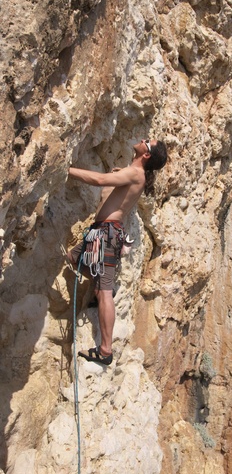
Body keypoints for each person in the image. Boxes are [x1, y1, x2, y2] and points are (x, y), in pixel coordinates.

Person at [67, 138, 167, 365]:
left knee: (104, 290)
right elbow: (112, 189)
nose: (142, 140)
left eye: (147, 142)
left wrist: (66, 170)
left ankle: (105, 350)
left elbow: (100, 179)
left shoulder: (135, 174)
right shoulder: (132, 173)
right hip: (100, 231)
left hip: (107, 234)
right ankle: (100, 289)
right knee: (74, 257)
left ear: (147, 155)